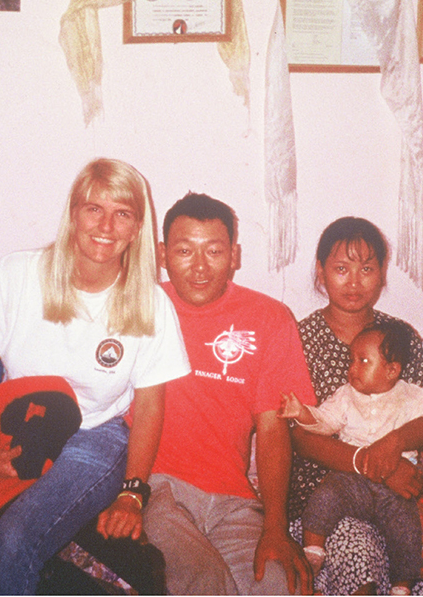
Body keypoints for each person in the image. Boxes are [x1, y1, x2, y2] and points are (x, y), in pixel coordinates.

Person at [0, 158, 190, 594]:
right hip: (20, 424)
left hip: (95, 435)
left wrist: (133, 493)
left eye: (122, 213)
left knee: (14, 539)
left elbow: (151, 406)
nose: (106, 225)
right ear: (73, 214)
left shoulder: (151, 304)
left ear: (138, 228)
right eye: (94, 209)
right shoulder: (16, 273)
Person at [144, 192, 316, 595]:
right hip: (157, 488)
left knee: (277, 586)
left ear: (234, 255)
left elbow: (273, 429)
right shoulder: (140, 306)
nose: (200, 267)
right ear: (163, 254)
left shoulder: (270, 318)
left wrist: (275, 526)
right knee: (202, 585)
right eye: (185, 251)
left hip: (234, 500)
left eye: (214, 251)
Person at [289, 216, 423, 595]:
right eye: (341, 269)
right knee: (357, 558)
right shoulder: (299, 339)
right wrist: (373, 465)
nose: (354, 281)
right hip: (324, 486)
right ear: (320, 272)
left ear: (382, 273)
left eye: (367, 268)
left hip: (400, 476)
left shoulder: (400, 335)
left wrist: (394, 445)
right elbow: (299, 437)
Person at [279, 321, 423, 595]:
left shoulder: (412, 396)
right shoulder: (345, 396)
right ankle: (313, 548)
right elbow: (324, 422)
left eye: (363, 361)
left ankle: (402, 584)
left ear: (392, 370)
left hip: (398, 487)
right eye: (351, 360)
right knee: (325, 495)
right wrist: (302, 413)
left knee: (408, 529)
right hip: (351, 478)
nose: (353, 368)